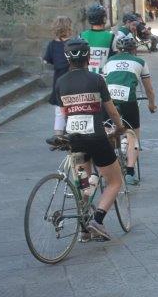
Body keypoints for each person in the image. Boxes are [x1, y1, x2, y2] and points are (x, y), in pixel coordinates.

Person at [54, 38, 126, 241]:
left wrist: (59, 135)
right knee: (115, 181)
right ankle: (97, 221)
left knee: (84, 185)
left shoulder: (61, 82)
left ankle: (83, 229)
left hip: (75, 140)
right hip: (96, 138)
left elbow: (61, 113)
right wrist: (120, 128)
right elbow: (111, 110)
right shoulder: (96, 79)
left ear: (67, 58)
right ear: (88, 57)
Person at [103, 35, 157, 185]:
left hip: (109, 102)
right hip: (129, 102)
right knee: (133, 135)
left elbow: (103, 83)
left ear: (117, 49)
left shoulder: (108, 62)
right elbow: (149, 89)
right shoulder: (140, 62)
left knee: (108, 133)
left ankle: (108, 169)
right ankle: (130, 172)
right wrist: (151, 105)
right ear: (134, 49)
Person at [43, 16, 73, 136]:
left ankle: (58, 137)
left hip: (59, 80)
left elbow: (47, 60)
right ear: (69, 27)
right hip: (72, 78)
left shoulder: (52, 44)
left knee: (59, 112)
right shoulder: (73, 43)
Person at [80, 4, 114, 74]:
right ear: (104, 18)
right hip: (104, 75)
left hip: (86, 75)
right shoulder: (111, 36)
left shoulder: (82, 35)